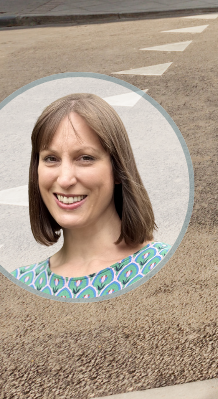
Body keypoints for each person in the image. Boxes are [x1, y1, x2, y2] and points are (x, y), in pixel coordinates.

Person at [14, 93, 170, 300]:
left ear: (117, 169)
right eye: (51, 159)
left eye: (85, 158)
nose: (65, 179)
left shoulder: (163, 265)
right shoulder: (21, 282)